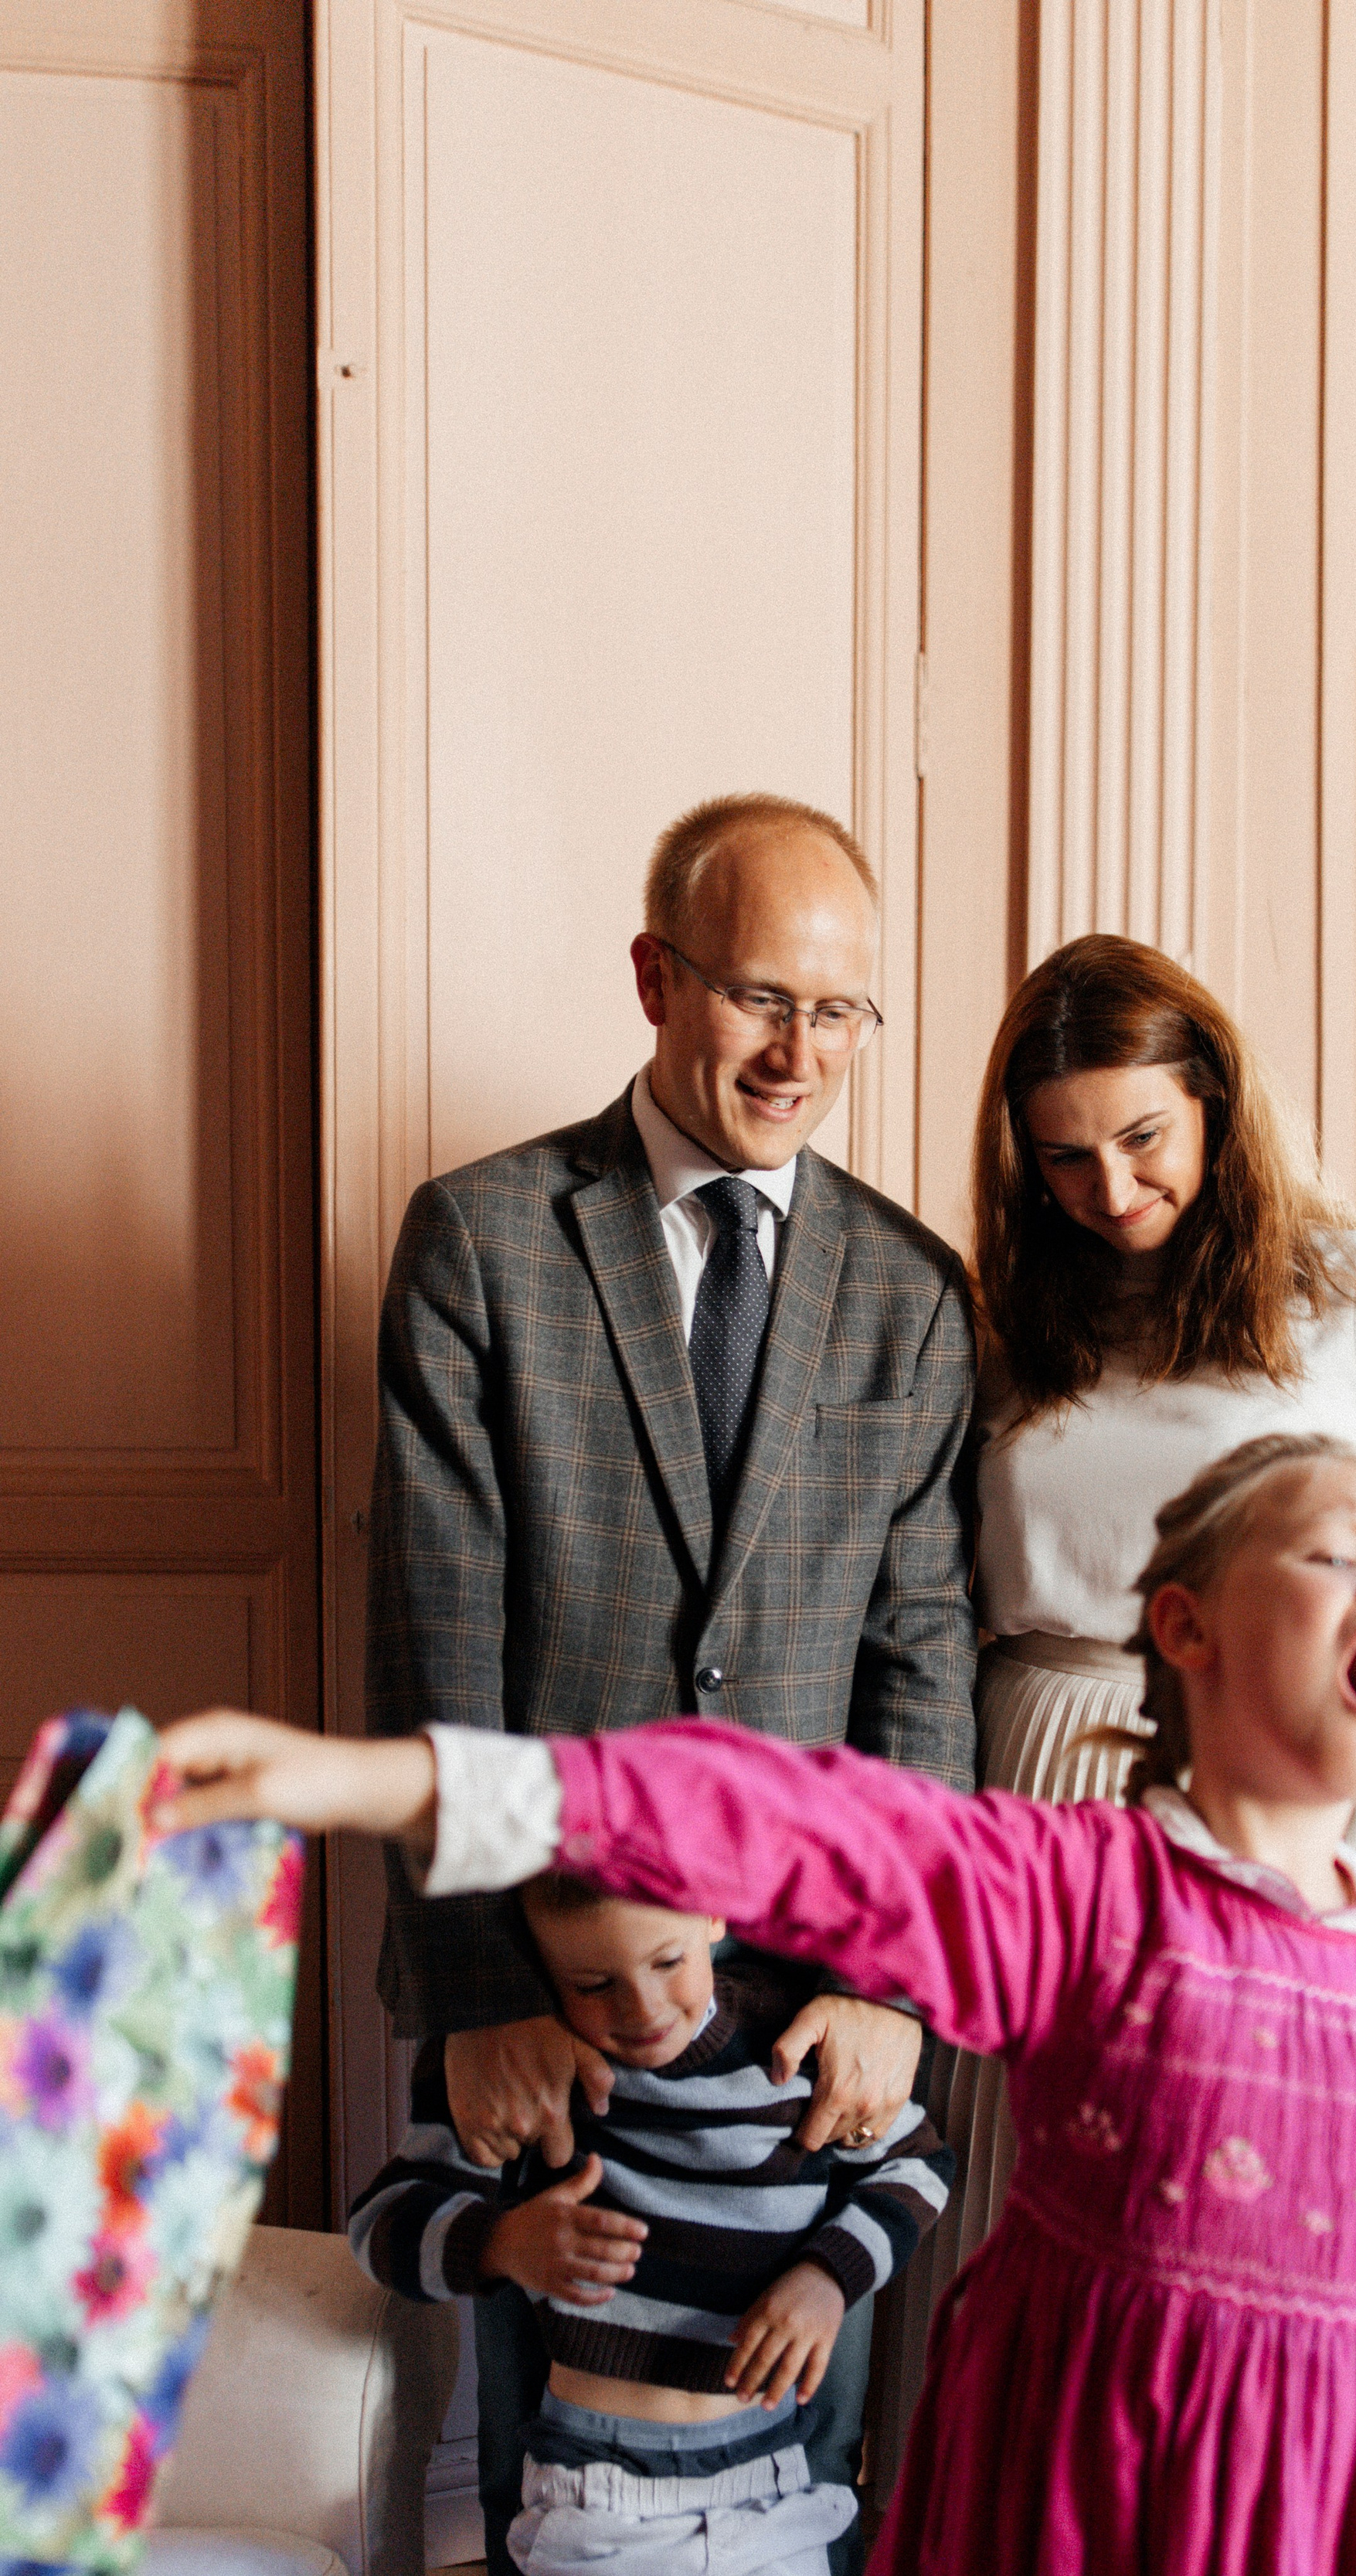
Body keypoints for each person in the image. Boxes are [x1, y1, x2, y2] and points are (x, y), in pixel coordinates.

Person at [159, 1432, 1356, 2574]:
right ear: (1184, 1627)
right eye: (1341, 1552)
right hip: (1070, 2483)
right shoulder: (1077, 1887)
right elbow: (783, 1816)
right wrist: (386, 1776)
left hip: (1333, 2506)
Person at [365, 791, 977, 2569]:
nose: (799, 1052)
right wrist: (480, 1989)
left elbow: (919, 1662)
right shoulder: (481, 1241)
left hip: (809, 2015)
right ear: (655, 977)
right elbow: (435, 1632)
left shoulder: (913, 1292)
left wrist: (893, 1982)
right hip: (553, 1996)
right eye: (756, 997)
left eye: (840, 1012)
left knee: (808, 2473)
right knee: (537, 2481)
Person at [904, 934, 1356, 2393]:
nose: (1113, 1190)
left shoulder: (1347, 1287)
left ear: (1212, 1093)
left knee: (1221, 2259)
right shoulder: (1008, 1307)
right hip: (1032, 1799)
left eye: (1143, 1136)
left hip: (1259, 1795)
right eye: (1064, 1157)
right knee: (1018, 2257)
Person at [346, 1875, 953, 2576]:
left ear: (715, 1914)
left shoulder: (791, 2047)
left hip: (774, 2494)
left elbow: (920, 2164)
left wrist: (828, 2276)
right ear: (538, 1964)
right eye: (595, 1982)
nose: (644, 2009)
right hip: (598, 2508)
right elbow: (381, 2224)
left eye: (667, 1962)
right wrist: (501, 2242)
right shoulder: (532, 2072)